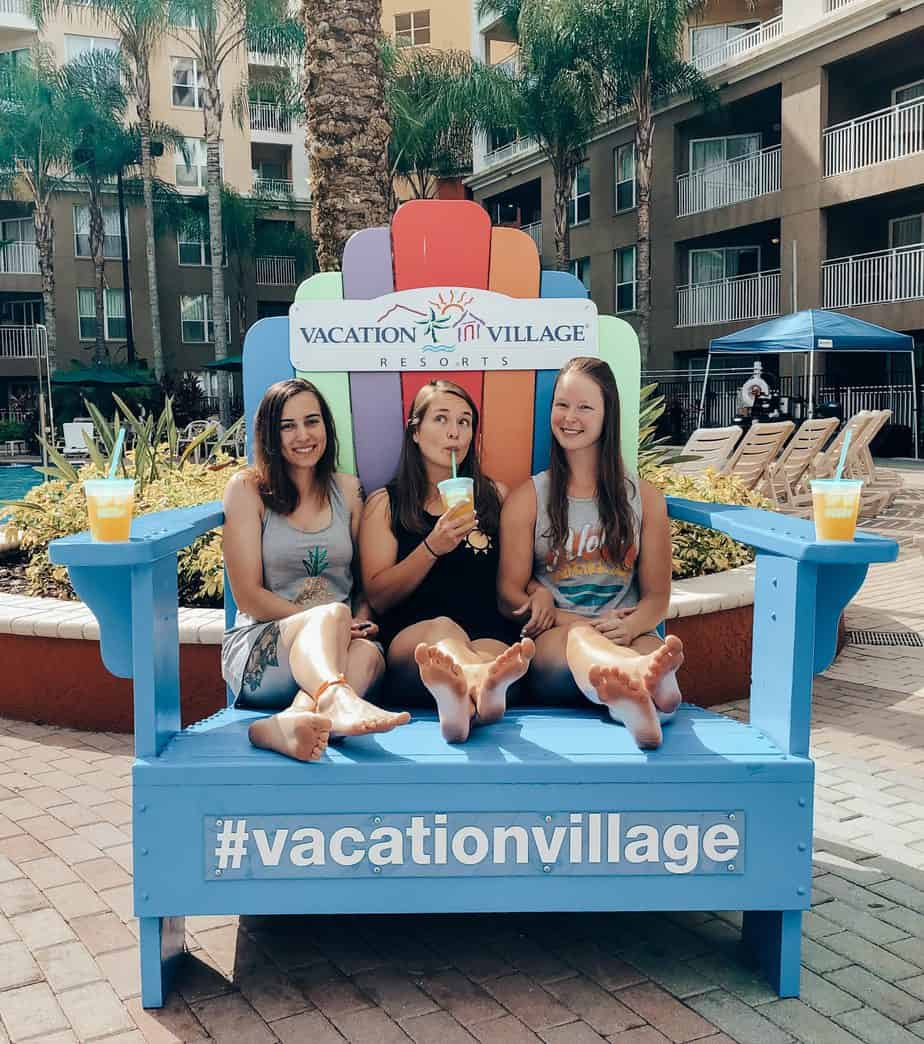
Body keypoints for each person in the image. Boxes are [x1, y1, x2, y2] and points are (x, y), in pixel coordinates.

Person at [498, 357, 683, 750]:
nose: (570, 417)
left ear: (606, 415)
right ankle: (632, 683)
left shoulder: (645, 499)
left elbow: (656, 597)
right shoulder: (528, 499)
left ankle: (634, 704)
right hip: (556, 646)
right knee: (585, 639)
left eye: (585, 407)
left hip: (627, 635)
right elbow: (507, 596)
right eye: (562, 405)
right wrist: (571, 618)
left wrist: (633, 629)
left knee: (660, 670)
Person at [221, 378, 410, 762]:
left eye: (312, 421)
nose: (303, 435)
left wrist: (359, 618)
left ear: (327, 426)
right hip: (264, 648)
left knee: (370, 655)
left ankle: (291, 721)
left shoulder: (349, 490)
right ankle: (337, 702)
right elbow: (247, 595)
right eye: (287, 426)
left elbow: (361, 581)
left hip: (341, 646)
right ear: (270, 435)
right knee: (332, 615)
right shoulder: (247, 489)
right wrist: (327, 619)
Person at [360, 379, 534, 743]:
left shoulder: (495, 497)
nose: (455, 432)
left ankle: (462, 699)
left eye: (465, 421)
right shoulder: (386, 504)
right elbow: (377, 597)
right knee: (443, 629)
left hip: (487, 636)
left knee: (493, 658)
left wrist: (540, 593)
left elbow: (517, 572)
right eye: (441, 419)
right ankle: (476, 685)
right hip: (415, 647)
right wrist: (432, 547)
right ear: (416, 433)